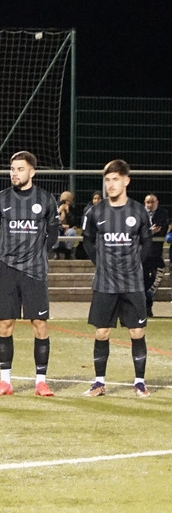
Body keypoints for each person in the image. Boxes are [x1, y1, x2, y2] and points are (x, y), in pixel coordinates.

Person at [0, 151, 60, 397]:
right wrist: (3, 251)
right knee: (5, 325)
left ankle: (41, 382)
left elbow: (54, 232)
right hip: (8, 270)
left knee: (39, 325)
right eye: (12, 169)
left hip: (35, 271)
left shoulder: (45, 199)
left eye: (20, 169)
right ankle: (5, 381)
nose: (14, 173)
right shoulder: (0, 198)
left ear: (32, 172)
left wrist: (40, 253)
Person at [81, 160, 152, 397]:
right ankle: (99, 383)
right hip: (105, 282)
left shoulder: (139, 211)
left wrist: (136, 263)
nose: (110, 185)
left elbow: (147, 242)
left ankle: (139, 382)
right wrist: (99, 262)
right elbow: (87, 239)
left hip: (132, 283)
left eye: (115, 180)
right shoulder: (95, 211)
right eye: (107, 180)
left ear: (126, 181)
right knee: (102, 332)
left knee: (137, 332)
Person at [143, 194, 168, 317]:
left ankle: (148, 304)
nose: (149, 204)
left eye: (152, 202)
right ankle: (145, 307)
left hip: (155, 253)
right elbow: (137, 231)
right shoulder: (140, 213)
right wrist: (149, 232)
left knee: (153, 280)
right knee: (143, 280)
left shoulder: (162, 213)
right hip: (142, 254)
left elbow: (161, 229)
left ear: (157, 202)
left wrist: (146, 232)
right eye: (147, 202)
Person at [54, 190, 77, 259]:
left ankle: (68, 253)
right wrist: (59, 211)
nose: (66, 203)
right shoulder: (54, 208)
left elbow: (73, 223)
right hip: (58, 229)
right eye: (64, 201)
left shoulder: (72, 210)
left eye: (68, 201)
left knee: (72, 232)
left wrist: (68, 212)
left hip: (67, 231)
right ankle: (56, 253)